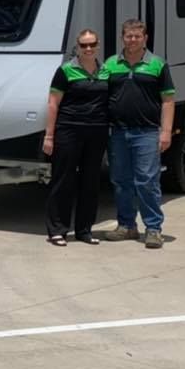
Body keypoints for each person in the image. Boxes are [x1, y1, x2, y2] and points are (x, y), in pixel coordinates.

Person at [101, 18, 176, 249]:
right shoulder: (111, 64)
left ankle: (153, 229)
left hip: (147, 133)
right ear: (122, 38)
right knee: (121, 181)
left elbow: (168, 100)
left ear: (145, 38)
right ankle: (126, 226)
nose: (132, 40)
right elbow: (100, 94)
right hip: (118, 132)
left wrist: (166, 132)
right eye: (128, 36)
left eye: (137, 36)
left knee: (147, 181)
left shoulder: (157, 64)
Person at [42, 29, 110, 246]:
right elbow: (53, 103)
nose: (88, 49)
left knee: (91, 181)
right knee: (64, 179)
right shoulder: (65, 70)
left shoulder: (106, 71)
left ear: (98, 45)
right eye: (84, 45)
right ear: (77, 47)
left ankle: (84, 230)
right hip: (69, 130)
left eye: (92, 44)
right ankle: (57, 230)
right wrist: (49, 136)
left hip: (97, 131)